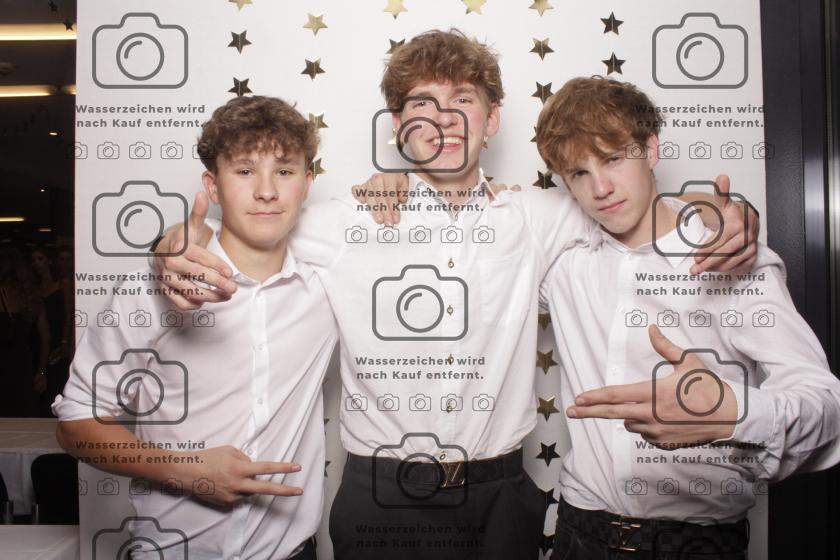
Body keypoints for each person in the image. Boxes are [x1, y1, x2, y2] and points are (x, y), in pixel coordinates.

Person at [150, 30, 759, 560]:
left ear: (492, 121)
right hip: (380, 496)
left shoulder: (539, 216)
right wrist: (170, 243)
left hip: (500, 498)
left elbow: (635, 205)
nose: (443, 121)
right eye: (423, 104)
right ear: (398, 126)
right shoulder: (343, 221)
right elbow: (237, 228)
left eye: (463, 101)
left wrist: (727, 215)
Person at [532, 76, 840, 559]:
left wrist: (734, 415)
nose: (601, 188)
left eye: (613, 159)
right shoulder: (562, 264)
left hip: (695, 544)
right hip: (579, 532)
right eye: (578, 173)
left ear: (651, 149)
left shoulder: (734, 261)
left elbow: (827, 409)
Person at [54, 95, 338, 559]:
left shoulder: (331, 280)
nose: (266, 191)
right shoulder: (150, 288)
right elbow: (75, 425)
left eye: (284, 171)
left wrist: (390, 186)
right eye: (244, 171)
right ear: (213, 185)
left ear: (307, 184)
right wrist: (185, 469)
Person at [0, 245, 49, 417]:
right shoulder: (32, 298)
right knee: (22, 417)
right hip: (22, 364)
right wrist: (41, 372)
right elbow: (46, 338)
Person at [30, 247, 73, 417]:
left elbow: (69, 314)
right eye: (33, 260)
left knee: (55, 385)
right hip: (38, 340)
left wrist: (64, 342)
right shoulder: (33, 288)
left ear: (49, 261)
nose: (36, 264)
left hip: (58, 341)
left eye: (40, 259)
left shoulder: (63, 283)